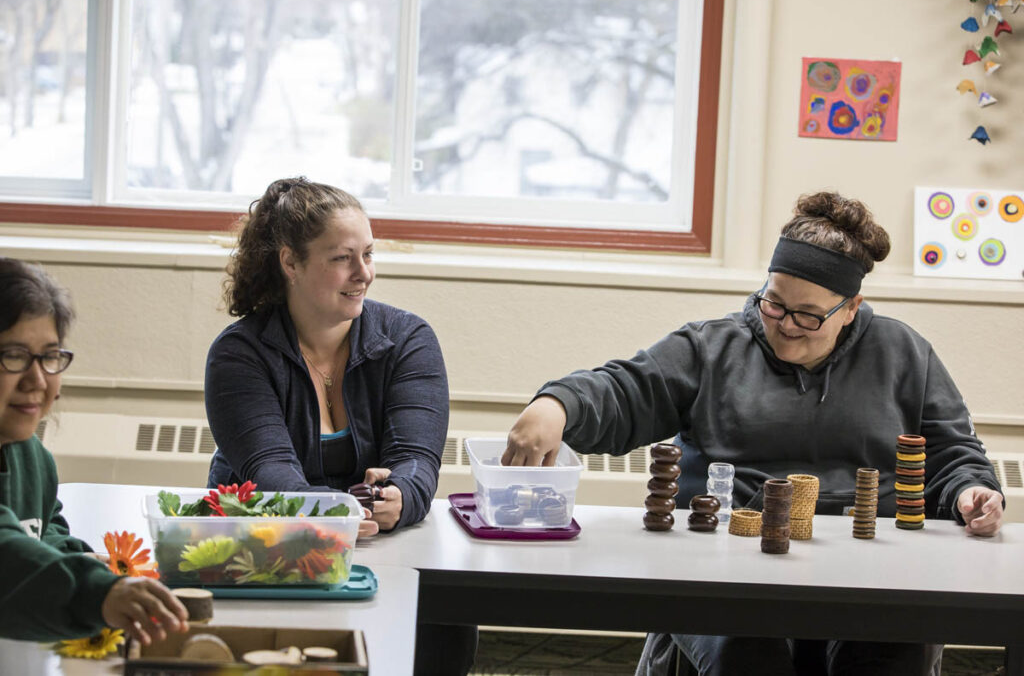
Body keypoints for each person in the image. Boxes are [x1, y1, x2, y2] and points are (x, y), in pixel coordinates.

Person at [502, 192, 1004, 676]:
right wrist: (558, 403)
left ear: (850, 307)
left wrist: (970, 489)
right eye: (774, 304)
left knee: (890, 656)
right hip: (725, 564)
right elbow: (625, 390)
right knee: (745, 655)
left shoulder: (903, 352)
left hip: (872, 566)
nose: (786, 325)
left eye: (808, 315)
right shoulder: (711, 348)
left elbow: (951, 450)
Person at [204, 177, 475, 675]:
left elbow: (417, 460)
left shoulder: (408, 339)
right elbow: (268, 470)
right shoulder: (238, 354)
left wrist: (402, 496)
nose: (364, 273)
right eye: (341, 258)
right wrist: (338, 512)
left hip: (383, 550)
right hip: (265, 554)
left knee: (446, 615)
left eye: (368, 254)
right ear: (290, 262)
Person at [0, 258, 189, 645]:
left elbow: (40, 529)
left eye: (50, 357)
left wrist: (79, 558)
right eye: (14, 356)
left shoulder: (31, 456)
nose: (37, 380)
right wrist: (97, 591)